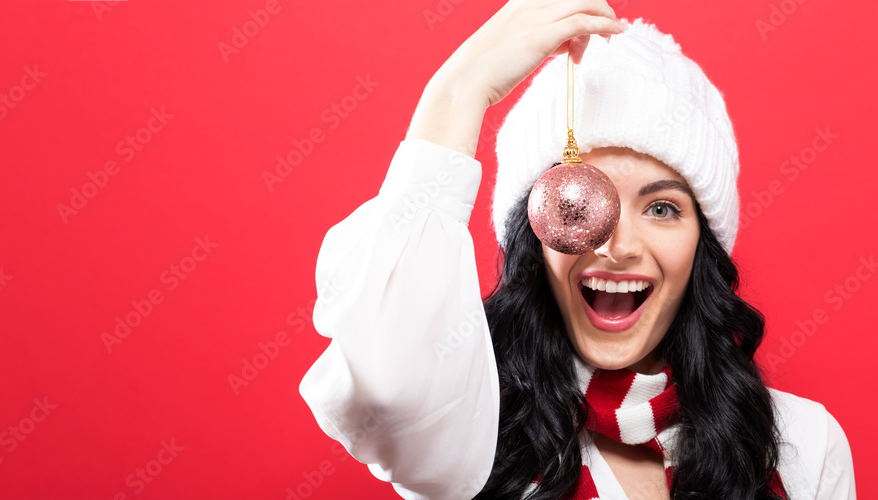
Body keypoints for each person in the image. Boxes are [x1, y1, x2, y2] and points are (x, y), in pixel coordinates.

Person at [299, 1, 856, 498]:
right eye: (578, 203)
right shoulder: (469, 429)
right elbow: (386, 390)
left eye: (661, 208)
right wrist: (460, 89)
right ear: (531, 237)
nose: (617, 247)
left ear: (702, 247)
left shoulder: (801, 448)